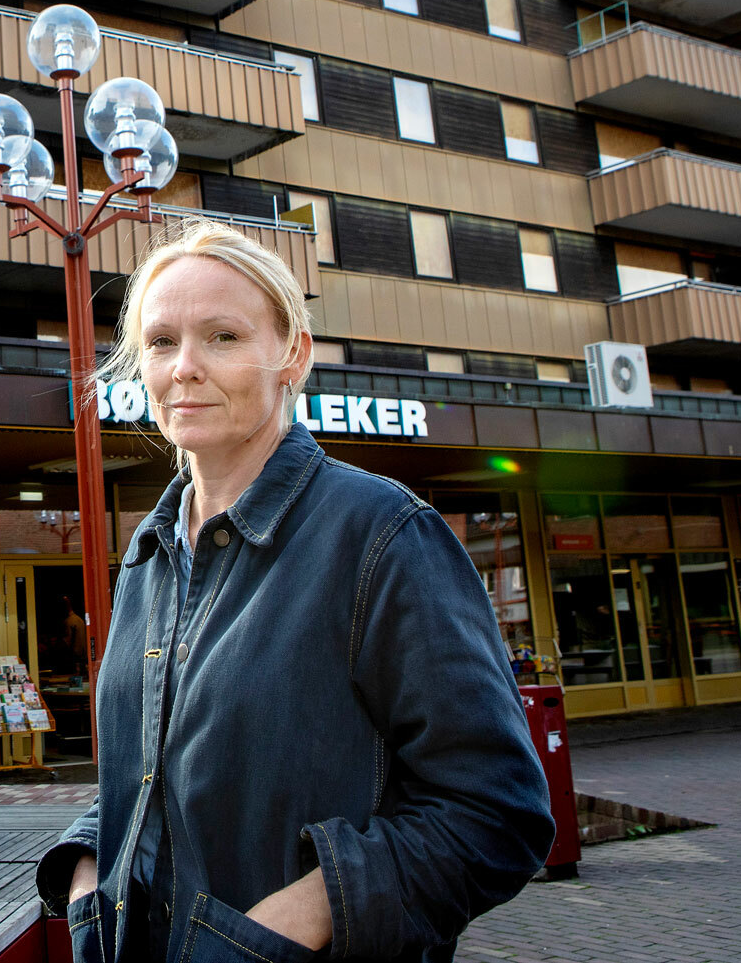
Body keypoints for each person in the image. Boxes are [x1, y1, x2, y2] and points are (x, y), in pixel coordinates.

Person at [36, 219, 553, 963]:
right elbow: (158, 774)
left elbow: (496, 814)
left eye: (223, 336)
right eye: (160, 342)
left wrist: (295, 921)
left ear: (292, 355)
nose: (185, 367)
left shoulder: (381, 535)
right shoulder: (151, 555)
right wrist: (88, 870)